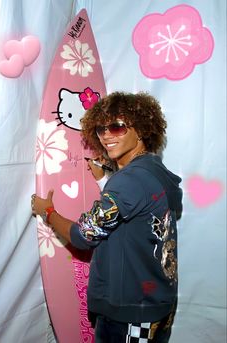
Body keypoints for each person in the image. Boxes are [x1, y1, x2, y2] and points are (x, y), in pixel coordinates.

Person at [31, 91, 183, 343]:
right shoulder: (154, 169)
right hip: (157, 301)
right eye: (101, 129)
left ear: (142, 129)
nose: (106, 135)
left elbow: (82, 236)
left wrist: (47, 211)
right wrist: (106, 177)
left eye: (117, 127)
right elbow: (135, 210)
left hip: (131, 311)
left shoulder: (129, 181)